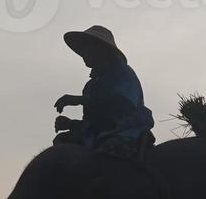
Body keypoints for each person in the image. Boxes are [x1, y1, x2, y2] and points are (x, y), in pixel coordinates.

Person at [53, 25, 155, 156]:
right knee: (62, 145)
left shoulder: (122, 72)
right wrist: (71, 124)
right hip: (100, 135)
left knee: (108, 154)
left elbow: (122, 104)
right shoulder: (91, 86)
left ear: (101, 49)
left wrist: (79, 100)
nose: (83, 54)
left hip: (127, 131)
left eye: (87, 48)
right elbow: (95, 124)